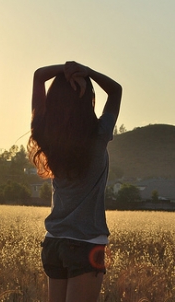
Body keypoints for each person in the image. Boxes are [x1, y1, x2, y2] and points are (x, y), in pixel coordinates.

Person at [27, 61, 122, 302]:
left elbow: (39, 76)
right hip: (87, 245)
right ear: (88, 98)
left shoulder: (46, 133)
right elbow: (115, 90)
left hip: (54, 244)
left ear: (54, 99)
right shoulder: (99, 136)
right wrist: (86, 71)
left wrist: (63, 70)